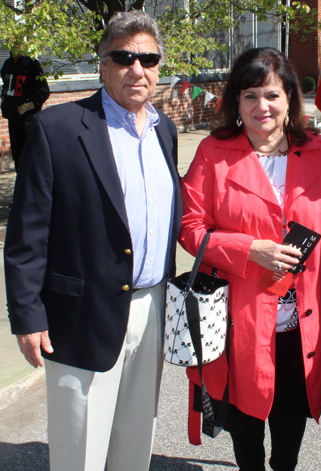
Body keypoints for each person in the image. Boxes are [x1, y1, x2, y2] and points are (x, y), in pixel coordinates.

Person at [4, 11, 182, 471]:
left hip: (152, 306)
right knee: (79, 449)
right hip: (79, 314)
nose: (136, 69)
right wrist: (26, 315)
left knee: (134, 441)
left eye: (148, 58)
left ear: (159, 66)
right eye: (123, 57)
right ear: (102, 64)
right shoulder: (57, 129)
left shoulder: (166, 130)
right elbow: (28, 234)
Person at [179, 47, 321, 471]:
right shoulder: (212, 153)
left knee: (289, 420)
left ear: (291, 99)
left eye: (273, 95)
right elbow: (190, 228)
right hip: (239, 317)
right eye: (251, 95)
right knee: (245, 420)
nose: (262, 106)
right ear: (236, 102)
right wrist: (248, 249)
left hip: (304, 323)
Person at [1, 50, 50, 170]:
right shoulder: (7, 65)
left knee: (31, 155)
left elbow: (43, 92)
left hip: (28, 121)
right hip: (12, 119)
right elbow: (6, 87)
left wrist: (24, 108)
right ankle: (21, 186)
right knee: (18, 157)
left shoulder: (31, 64)